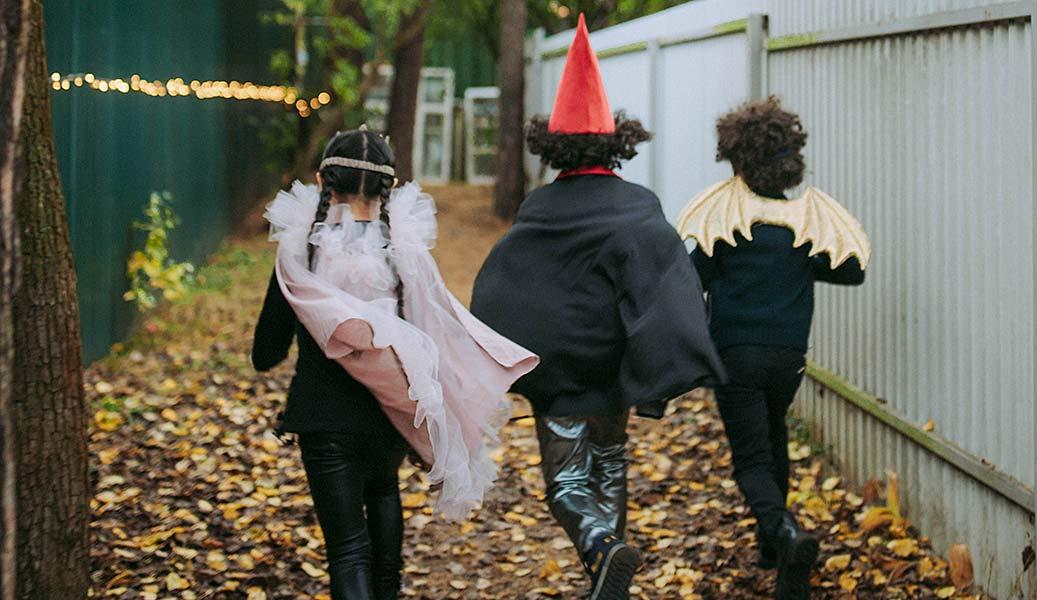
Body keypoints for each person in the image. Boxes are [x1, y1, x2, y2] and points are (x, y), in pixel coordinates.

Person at [470, 15, 725, 600]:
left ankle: (600, 548)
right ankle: (608, 573)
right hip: (614, 374)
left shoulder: (539, 209)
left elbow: (502, 284)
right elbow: (669, 282)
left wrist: (497, 355)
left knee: (565, 482)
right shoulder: (637, 206)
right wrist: (659, 376)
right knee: (609, 469)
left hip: (560, 376)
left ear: (554, 145)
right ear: (617, 142)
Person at [252, 127, 538, 600]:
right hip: (389, 416)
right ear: (389, 189)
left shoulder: (300, 253)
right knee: (384, 501)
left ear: (324, 183)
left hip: (324, 420)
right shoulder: (405, 256)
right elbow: (433, 333)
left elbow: (266, 355)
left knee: (347, 551)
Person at [677, 97, 870, 600]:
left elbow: (689, 279)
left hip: (735, 356)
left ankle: (784, 532)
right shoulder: (804, 230)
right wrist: (807, 260)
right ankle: (771, 548)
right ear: (789, 165)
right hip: (789, 359)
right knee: (774, 433)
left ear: (738, 163)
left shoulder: (726, 228)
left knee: (750, 460)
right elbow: (852, 273)